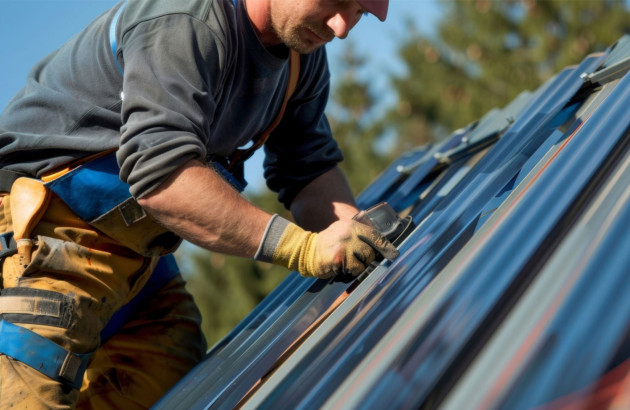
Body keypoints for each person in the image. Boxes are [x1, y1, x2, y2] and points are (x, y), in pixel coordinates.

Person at [0, 0, 396, 408]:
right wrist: (305, 249)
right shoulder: (186, 19)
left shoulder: (300, 55)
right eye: (337, 1)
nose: (342, 27)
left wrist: (361, 242)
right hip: (38, 235)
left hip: (135, 256)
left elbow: (307, 170)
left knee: (184, 388)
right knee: (32, 392)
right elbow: (161, 174)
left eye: (360, 12)